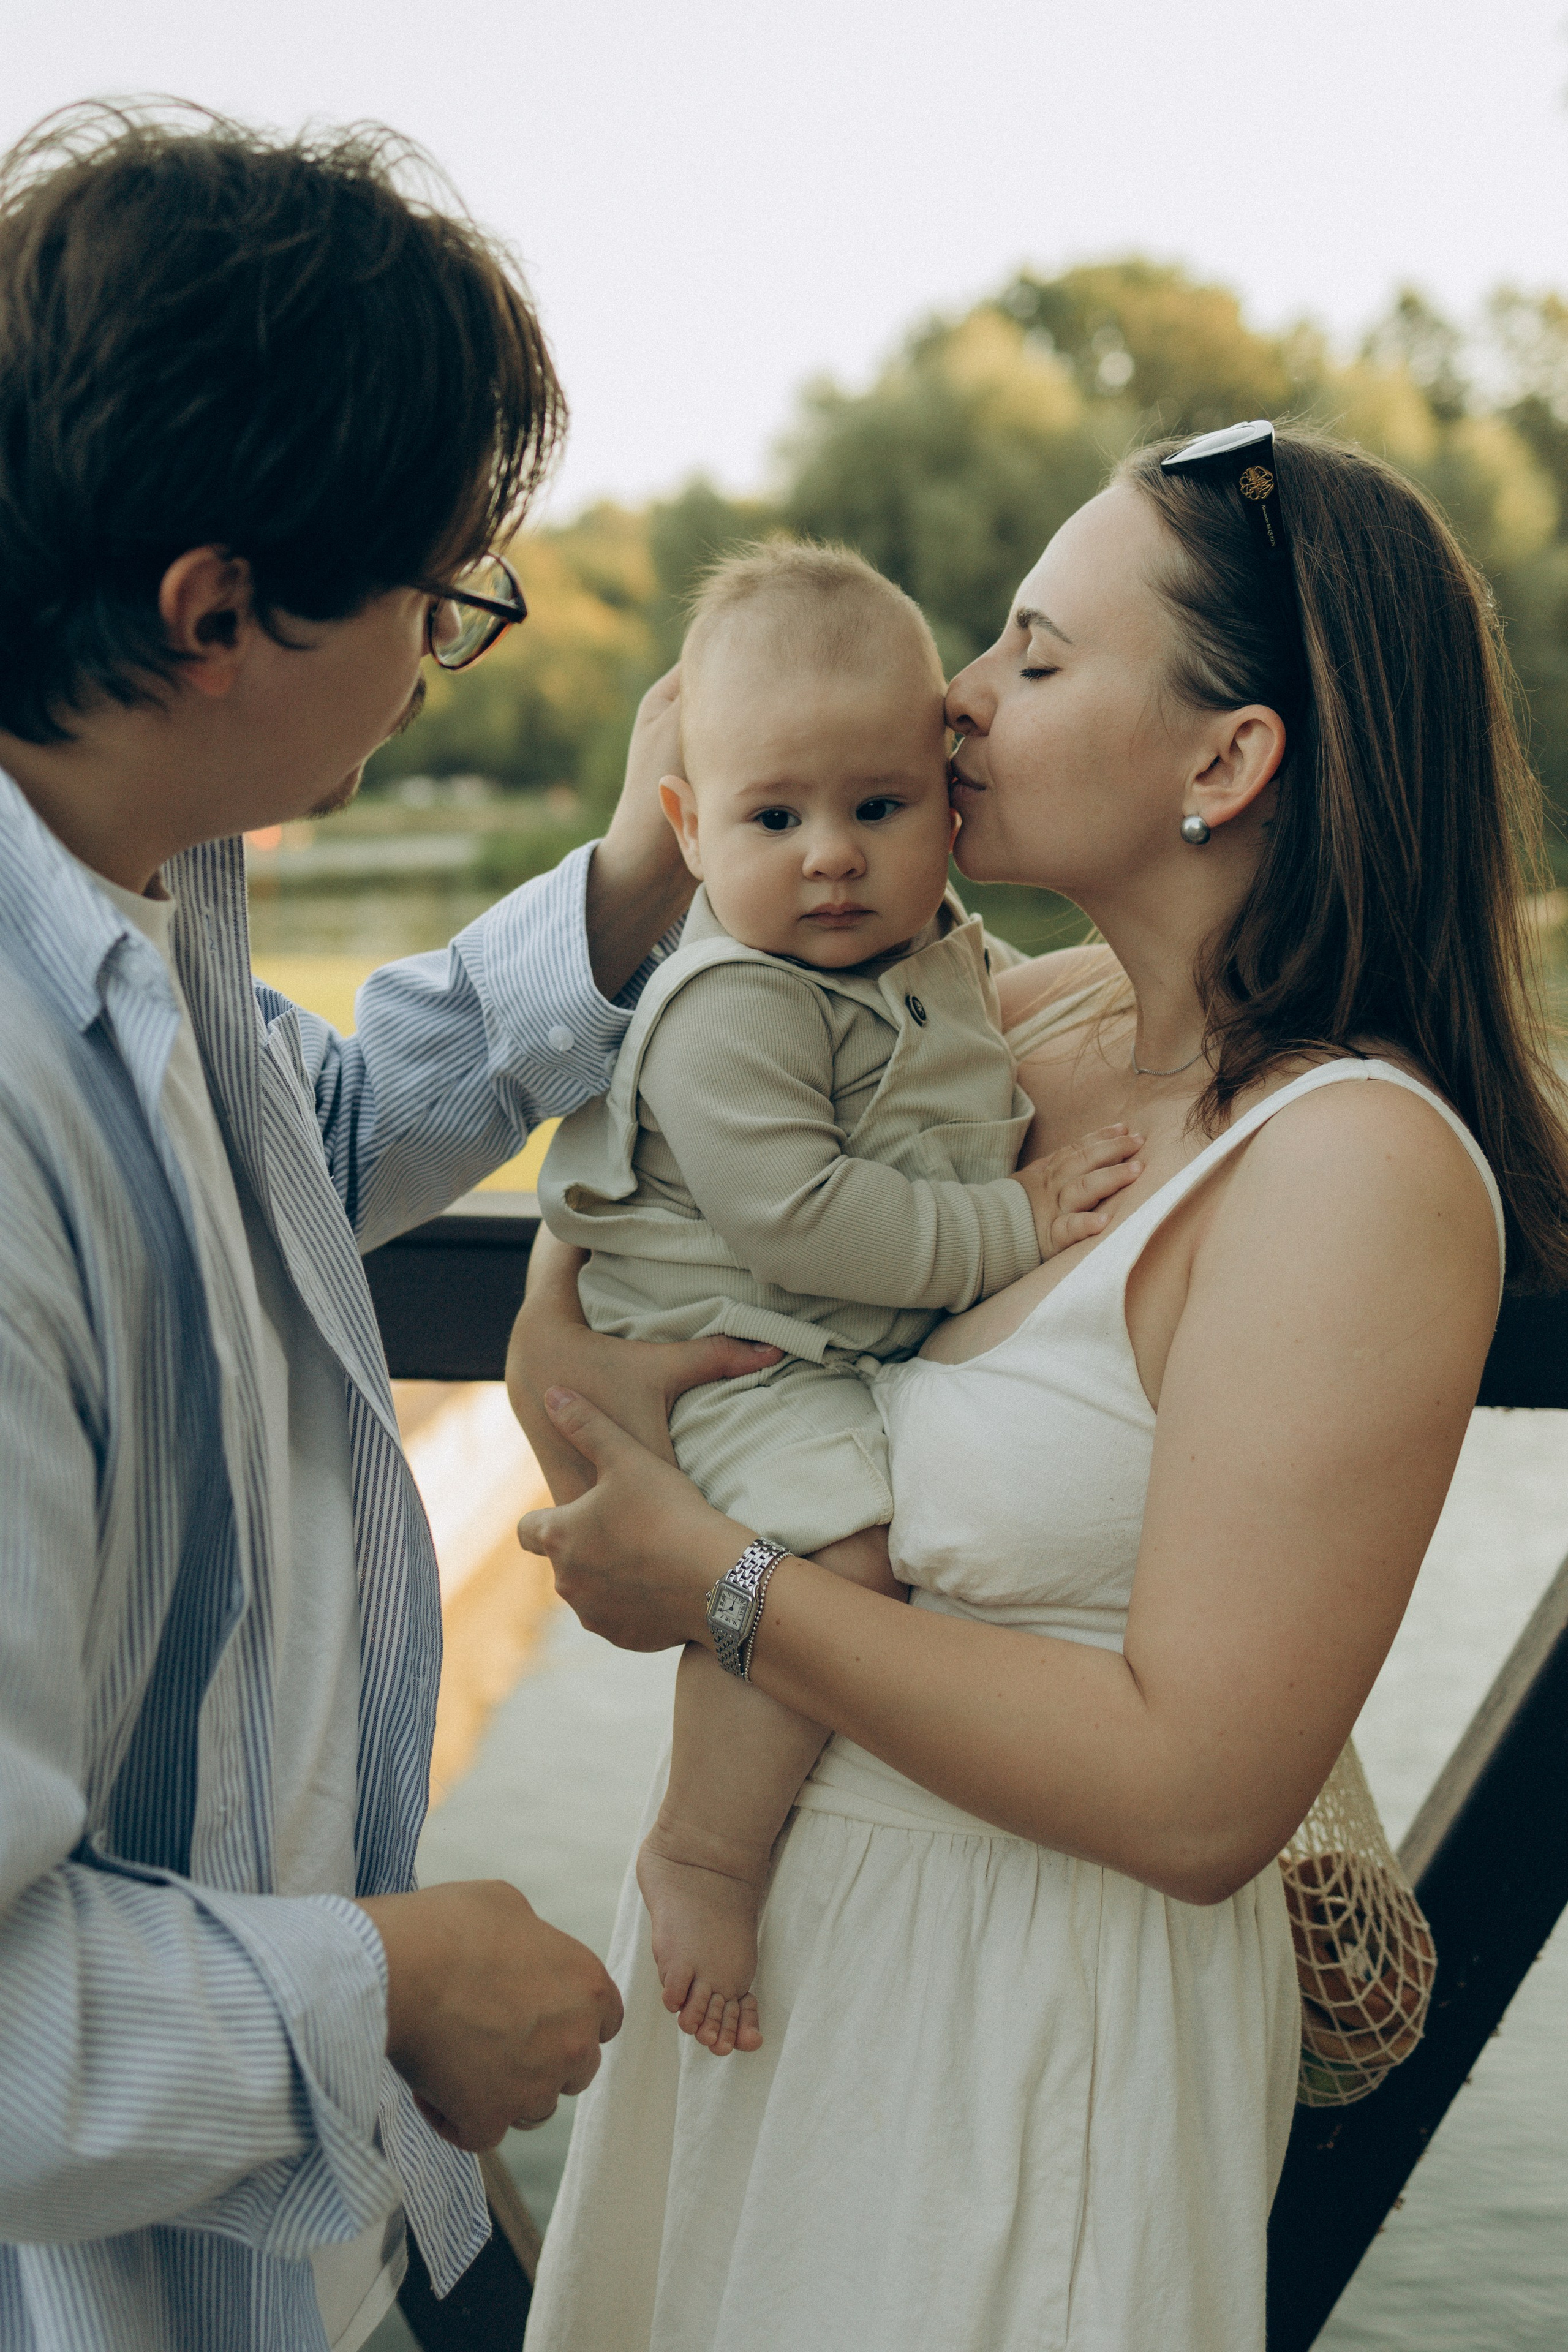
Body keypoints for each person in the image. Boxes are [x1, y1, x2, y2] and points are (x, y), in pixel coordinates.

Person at [509, 424, 1568, 2351]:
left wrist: (725, 1588)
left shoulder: (1352, 1169)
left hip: (1017, 2053)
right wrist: (561, 1361)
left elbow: (1198, 1794)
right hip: (770, 1994)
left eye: (1036, 655)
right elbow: (670, 1193)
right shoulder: (1019, 1020)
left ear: (1226, 762)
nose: (960, 697)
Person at [0, 103, 757, 2352]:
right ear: (217, 611)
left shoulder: (134, 912)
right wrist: (383, 1990)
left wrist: (630, 893)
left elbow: (291, 1156)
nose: (445, 649)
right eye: (440, 596)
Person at [537, 541, 1139, 2055]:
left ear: (943, 802)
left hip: (820, 1345)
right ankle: (703, 1846)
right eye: (774, 817)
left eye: (877, 808)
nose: (830, 857)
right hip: (733, 1355)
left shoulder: (937, 953)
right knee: (838, 1558)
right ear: (687, 825)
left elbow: (958, 1054)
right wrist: (1013, 1222)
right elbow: (801, 1222)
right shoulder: (731, 1002)